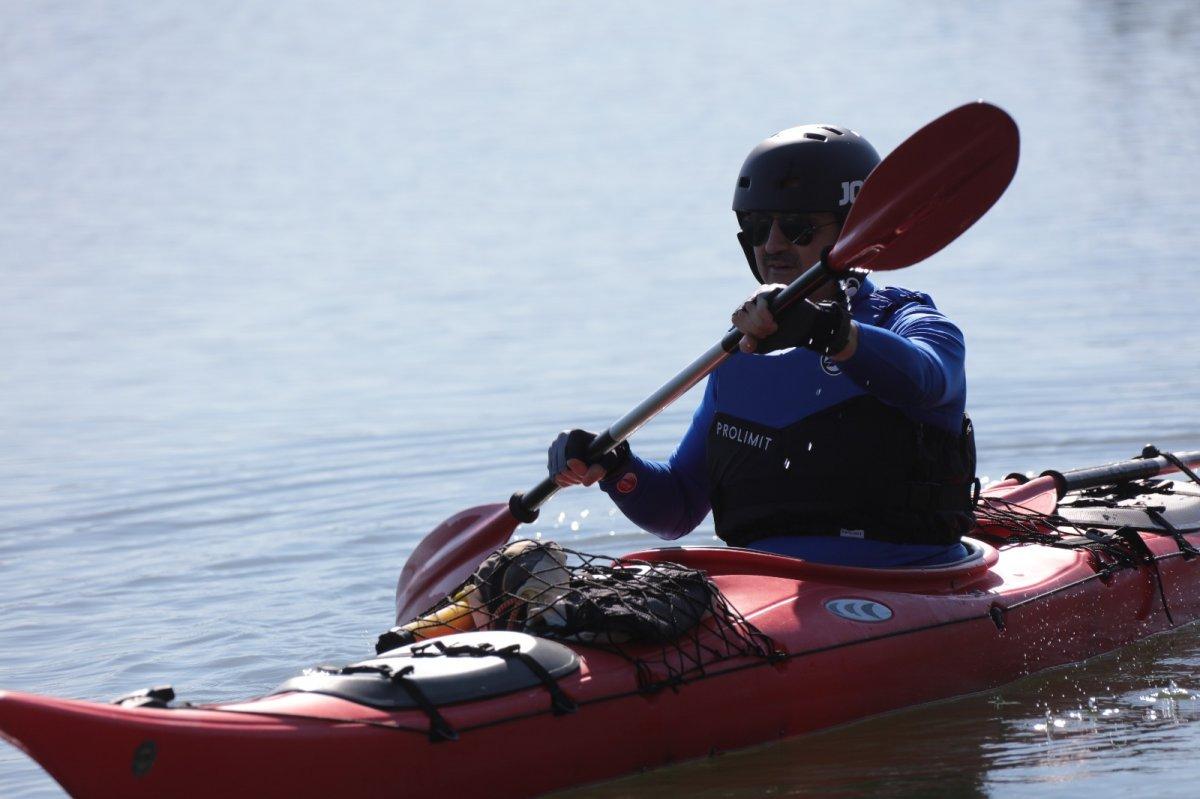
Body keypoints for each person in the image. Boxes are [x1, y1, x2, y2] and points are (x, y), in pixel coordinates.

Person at [548, 124, 977, 567]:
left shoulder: (909, 322)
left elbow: (930, 378)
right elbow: (678, 509)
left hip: (909, 580)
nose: (772, 244)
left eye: (796, 226)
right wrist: (619, 470)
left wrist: (831, 333)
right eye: (755, 227)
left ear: (855, 229)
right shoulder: (739, 358)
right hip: (764, 596)